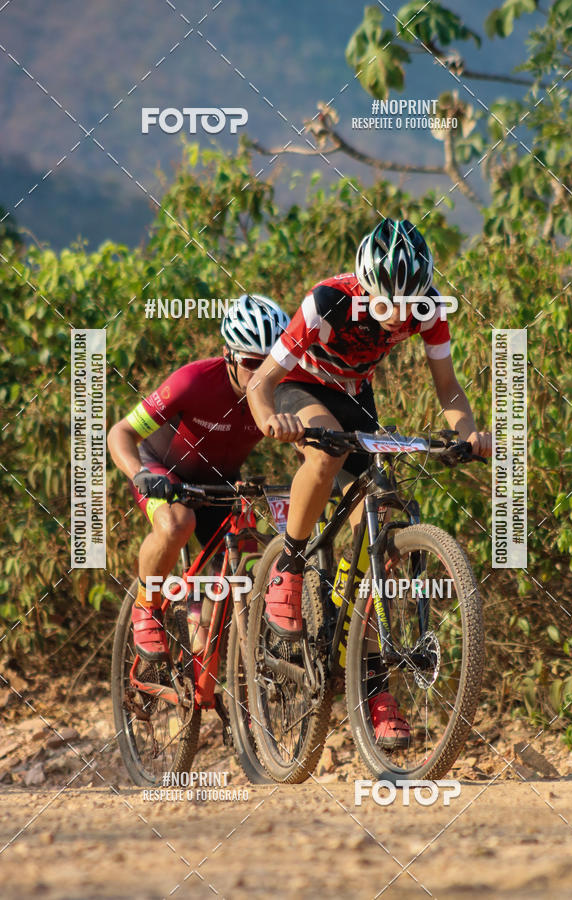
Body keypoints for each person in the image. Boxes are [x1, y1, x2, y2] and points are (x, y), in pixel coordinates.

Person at [247, 217, 492, 747]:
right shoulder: (328, 301)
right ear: (363, 285)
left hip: (357, 396)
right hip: (301, 387)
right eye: (386, 303)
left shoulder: (430, 309)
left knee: (379, 536)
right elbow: (262, 379)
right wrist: (270, 418)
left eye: (408, 305)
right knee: (326, 450)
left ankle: (374, 687)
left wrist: (469, 434)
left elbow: (448, 390)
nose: (398, 316)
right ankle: (288, 566)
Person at [107, 294, 290, 662]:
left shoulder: (283, 392)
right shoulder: (192, 381)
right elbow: (121, 433)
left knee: (253, 569)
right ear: (229, 355)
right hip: (163, 471)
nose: (262, 376)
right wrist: (140, 474)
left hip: (221, 483)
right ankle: (148, 604)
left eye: (271, 364)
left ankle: (210, 661)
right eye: (253, 364)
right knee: (177, 523)